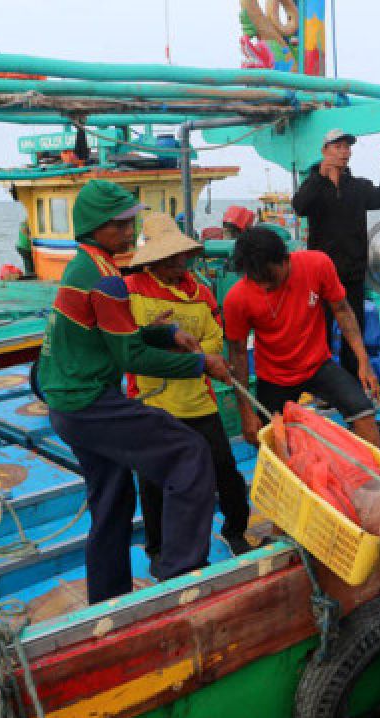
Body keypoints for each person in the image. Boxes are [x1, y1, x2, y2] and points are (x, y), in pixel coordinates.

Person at [36, 179, 234, 604]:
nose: (130, 233)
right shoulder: (105, 278)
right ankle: (180, 575)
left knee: (112, 499)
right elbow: (131, 358)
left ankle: (108, 600)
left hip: (67, 405)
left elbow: (120, 337)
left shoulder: (85, 266)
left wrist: (168, 333)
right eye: (123, 225)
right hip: (89, 402)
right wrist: (201, 363)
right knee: (189, 452)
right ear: (98, 226)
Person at [124, 212, 252, 558]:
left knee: (226, 471)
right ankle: (157, 549)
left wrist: (191, 350)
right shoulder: (130, 292)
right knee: (153, 480)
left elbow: (214, 338)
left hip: (199, 400)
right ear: (154, 260)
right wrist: (172, 344)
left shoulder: (202, 293)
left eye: (180, 257)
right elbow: (128, 346)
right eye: (170, 259)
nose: (178, 265)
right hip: (152, 403)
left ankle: (235, 530)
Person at [222, 226, 380, 448]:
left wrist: (363, 361)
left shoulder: (317, 264)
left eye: (271, 276)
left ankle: (376, 479)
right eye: (258, 279)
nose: (266, 285)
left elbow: (342, 309)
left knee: (363, 412)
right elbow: (238, 354)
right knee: (268, 439)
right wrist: (246, 411)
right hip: (274, 377)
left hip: (318, 365)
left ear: (285, 259)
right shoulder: (237, 299)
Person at [291, 129, 380, 380]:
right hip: (320, 276)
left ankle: (353, 382)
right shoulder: (314, 186)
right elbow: (299, 207)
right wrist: (320, 175)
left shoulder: (358, 187)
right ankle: (325, 387)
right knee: (321, 332)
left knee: (355, 331)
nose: (344, 152)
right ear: (324, 151)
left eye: (347, 147)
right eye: (337, 147)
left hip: (352, 274)